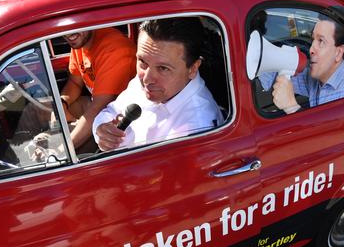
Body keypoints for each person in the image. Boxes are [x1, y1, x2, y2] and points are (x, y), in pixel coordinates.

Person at [93, 18, 223, 151]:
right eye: (142, 61)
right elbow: (111, 111)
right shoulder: (147, 80)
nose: (147, 79)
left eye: (163, 68)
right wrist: (102, 129)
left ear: (193, 68)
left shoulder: (197, 129)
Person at [258, 16, 344, 114]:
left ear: (338, 53)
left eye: (321, 41)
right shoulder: (317, 78)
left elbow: (327, 134)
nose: (311, 49)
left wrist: (291, 107)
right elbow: (274, 72)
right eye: (313, 40)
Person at [60, 27, 136, 151]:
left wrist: (62, 151)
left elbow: (98, 107)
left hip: (116, 119)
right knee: (37, 111)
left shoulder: (113, 49)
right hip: (95, 105)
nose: (68, 32)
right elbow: (75, 82)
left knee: (62, 143)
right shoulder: (80, 40)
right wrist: (62, 103)